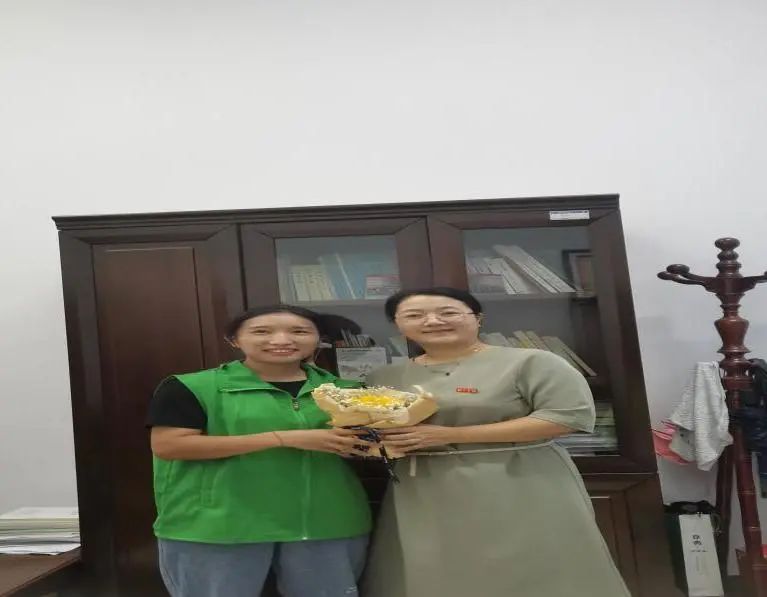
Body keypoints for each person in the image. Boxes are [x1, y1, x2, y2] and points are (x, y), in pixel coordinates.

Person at [361, 288, 630, 597]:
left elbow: (566, 418)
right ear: (398, 325)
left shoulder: (533, 362)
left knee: (542, 566)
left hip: (521, 479)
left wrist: (449, 435)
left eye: (447, 312)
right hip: (423, 486)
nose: (432, 321)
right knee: (434, 568)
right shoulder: (384, 377)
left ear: (478, 318)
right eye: (414, 315)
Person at [147, 305, 373, 597]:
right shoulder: (192, 387)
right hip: (218, 525)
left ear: (319, 339)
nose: (281, 340)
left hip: (327, 521)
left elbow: (368, 446)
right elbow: (169, 446)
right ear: (234, 340)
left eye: (299, 331)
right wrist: (282, 438)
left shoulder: (349, 391)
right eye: (262, 332)